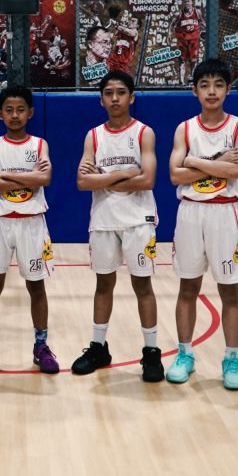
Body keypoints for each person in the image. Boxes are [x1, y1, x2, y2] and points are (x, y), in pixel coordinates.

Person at [72, 70, 163, 382]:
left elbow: (147, 180)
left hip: (139, 219)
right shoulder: (94, 136)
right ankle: (98, 347)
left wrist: (104, 178)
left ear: (131, 97)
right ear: (101, 100)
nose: (115, 98)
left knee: (142, 286)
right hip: (104, 219)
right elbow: (82, 182)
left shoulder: (144, 133)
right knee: (103, 285)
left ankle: (151, 351)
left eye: (121, 93)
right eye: (109, 93)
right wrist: (126, 174)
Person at [166, 59, 238, 389]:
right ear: (195, 91)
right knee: (188, 287)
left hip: (226, 212)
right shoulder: (185, 129)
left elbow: (236, 171)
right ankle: (184, 354)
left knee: (229, 289)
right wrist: (217, 161)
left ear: (228, 89)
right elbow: (175, 175)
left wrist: (192, 161)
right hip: (191, 212)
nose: (212, 91)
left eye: (218, 84)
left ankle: (232, 358)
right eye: (205, 85)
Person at [0, 85, 58, 376]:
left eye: (20, 109)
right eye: (9, 110)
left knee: (36, 286)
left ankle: (41, 346)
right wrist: (27, 177)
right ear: (0, 114)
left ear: (31, 112)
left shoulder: (39, 144)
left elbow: (44, 178)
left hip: (31, 222)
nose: (15, 115)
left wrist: (5, 175)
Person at [172, 0, 205, 86]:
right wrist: (170, 34)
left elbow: (202, 22)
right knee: (182, 60)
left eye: (188, 1)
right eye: (185, 1)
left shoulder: (197, 12)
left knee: (193, 60)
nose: (186, 3)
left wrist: (206, 30)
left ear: (192, 2)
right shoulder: (180, 14)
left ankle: (193, 79)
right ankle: (181, 81)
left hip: (193, 40)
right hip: (183, 41)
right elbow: (173, 24)